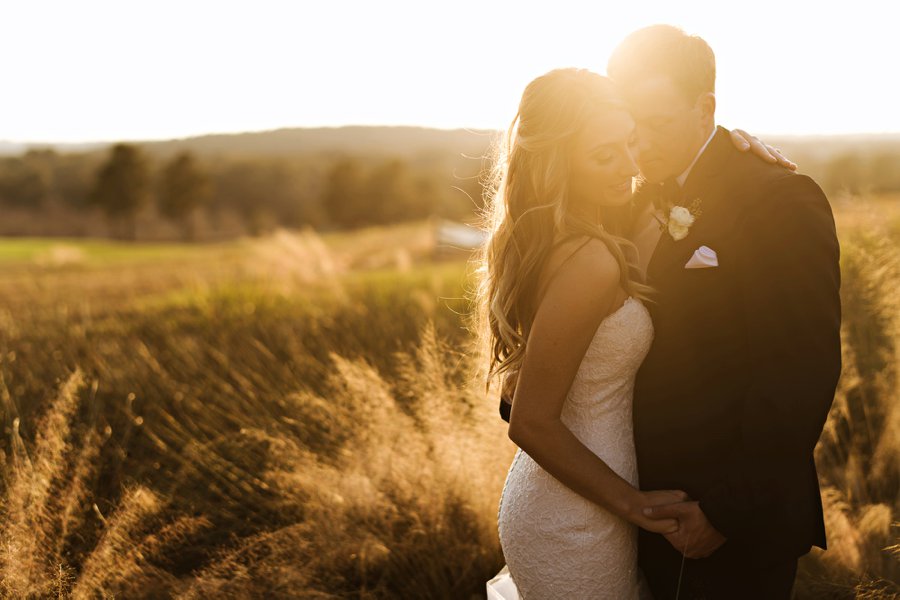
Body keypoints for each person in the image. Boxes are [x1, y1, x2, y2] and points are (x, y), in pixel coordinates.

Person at [479, 66, 801, 598]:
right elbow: (530, 420)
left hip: (585, 498)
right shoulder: (591, 260)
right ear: (561, 163)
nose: (630, 166)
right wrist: (636, 504)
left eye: (629, 143)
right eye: (604, 156)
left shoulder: (586, 231)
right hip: (577, 516)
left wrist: (730, 148)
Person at [605, 25, 841, 599]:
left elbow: (799, 375)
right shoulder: (626, 200)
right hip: (635, 511)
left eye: (658, 123)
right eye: (628, 126)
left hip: (730, 525)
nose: (640, 144)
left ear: (705, 107)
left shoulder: (780, 199)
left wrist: (724, 511)